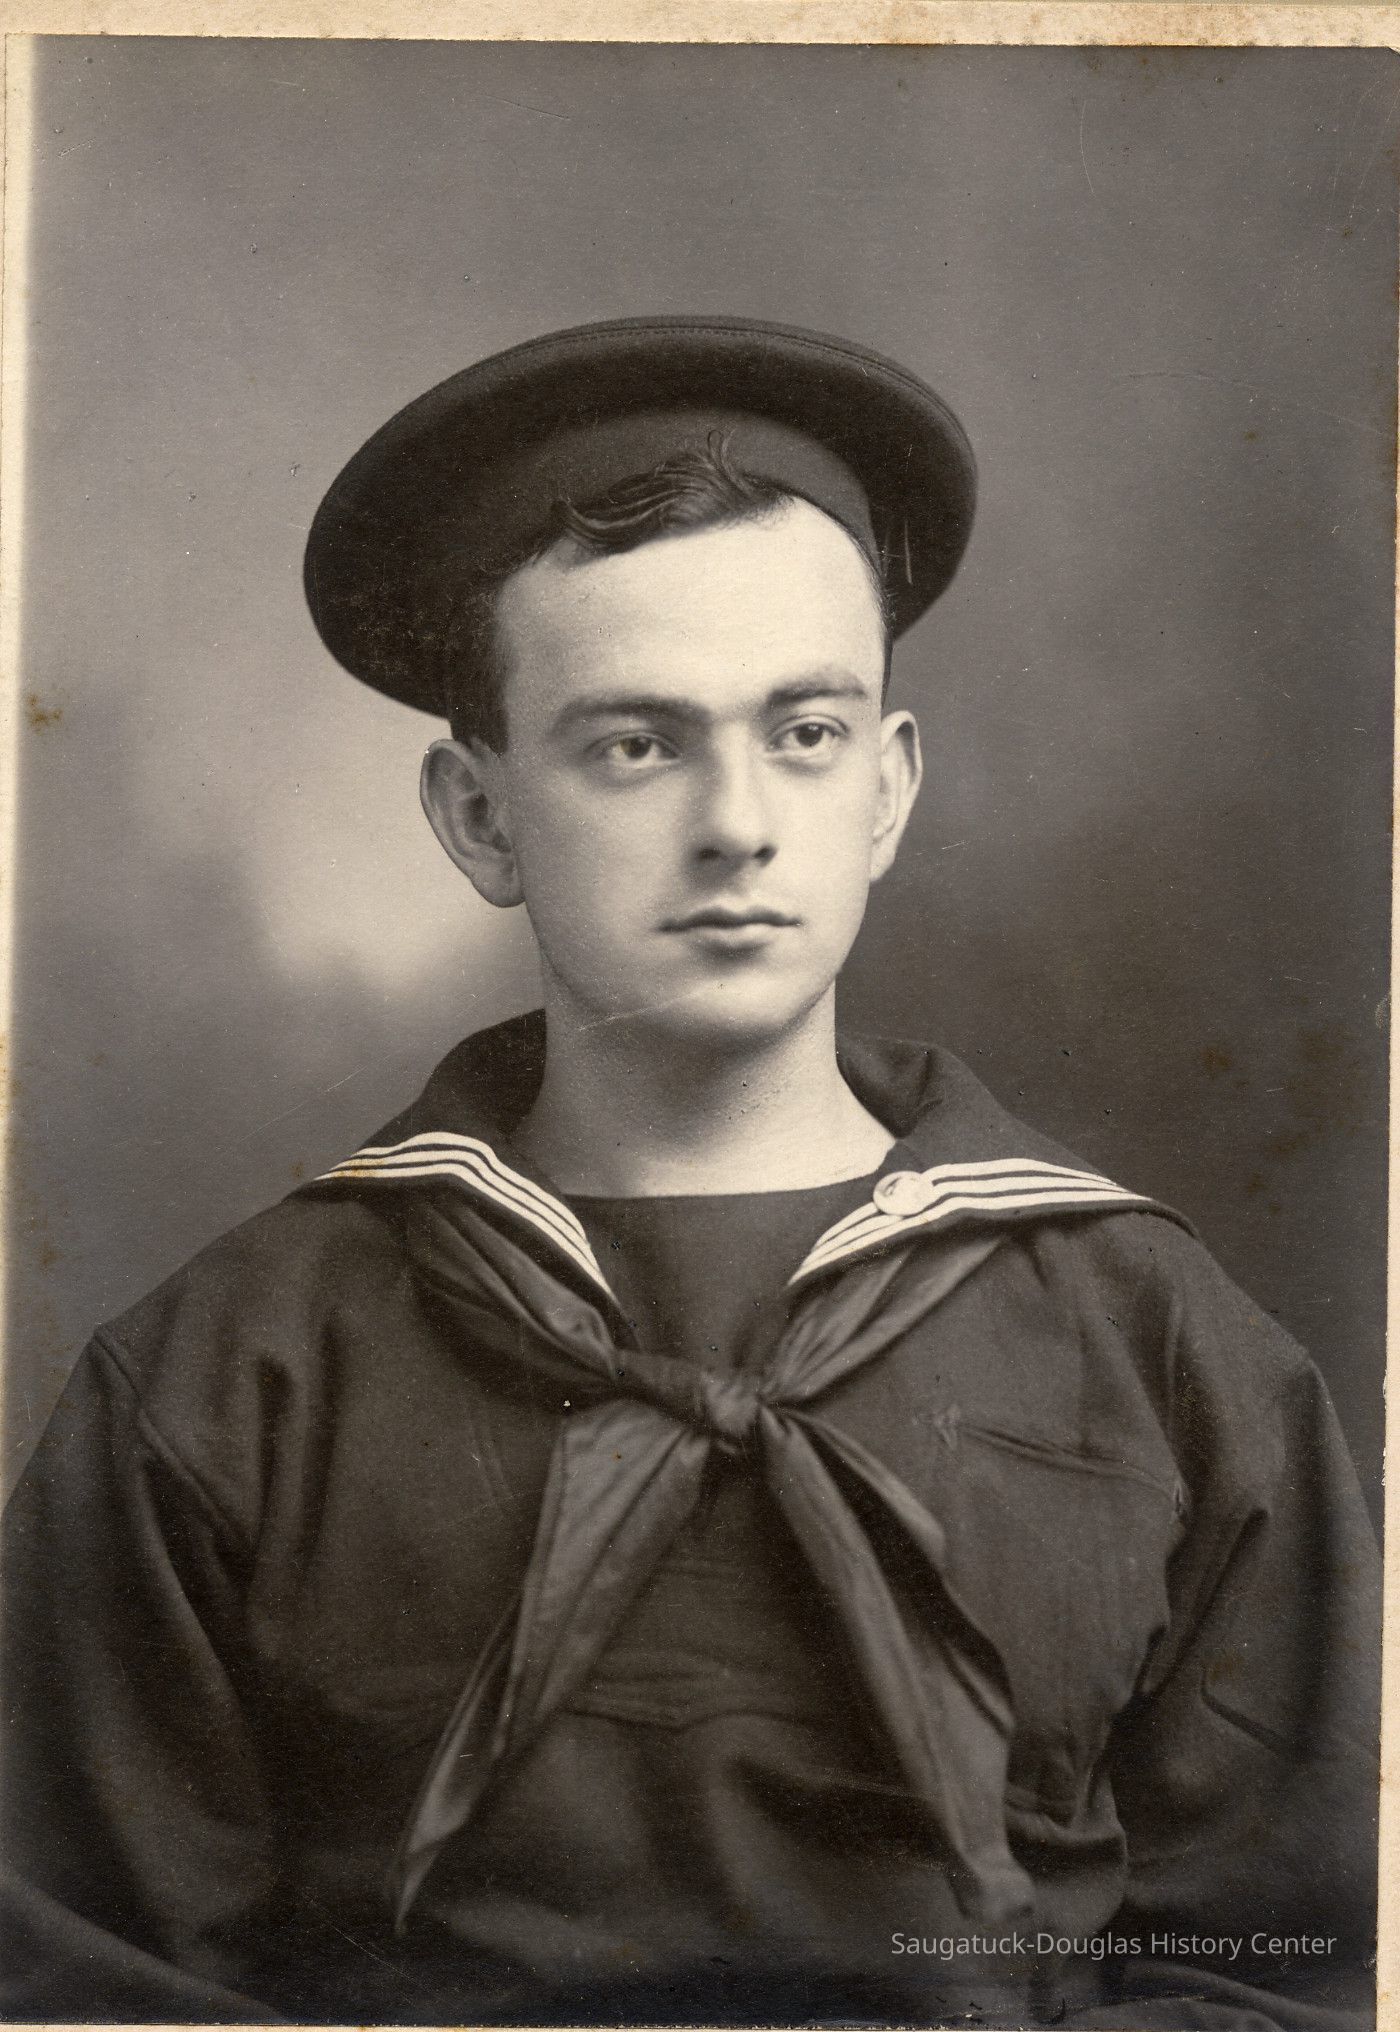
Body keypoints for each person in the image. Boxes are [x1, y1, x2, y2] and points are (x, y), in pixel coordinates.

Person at [1, 316, 1380, 2029]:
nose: (738, 822)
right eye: (635, 745)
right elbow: (77, 1989)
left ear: (886, 790)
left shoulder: (1163, 1340)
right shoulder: (224, 1377)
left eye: (803, 733)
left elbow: (1298, 1969)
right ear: (481, 817)